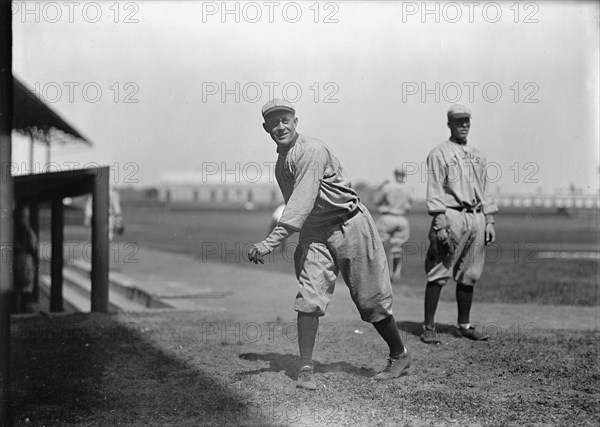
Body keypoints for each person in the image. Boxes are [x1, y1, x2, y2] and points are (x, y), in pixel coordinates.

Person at [248, 99, 411, 390]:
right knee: (309, 296)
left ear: (296, 122)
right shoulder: (281, 163)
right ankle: (306, 368)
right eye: (274, 122)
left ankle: (400, 355)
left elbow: (299, 204)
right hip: (316, 231)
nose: (280, 126)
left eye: (285, 119)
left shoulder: (311, 150)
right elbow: (300, 207)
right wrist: (303, 242)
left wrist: (271, 242)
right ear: (266, 128)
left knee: (370, 300)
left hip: (349, 223)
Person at [421, 104, 498, 344]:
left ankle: (464, 325)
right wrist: (440, 222)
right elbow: (434, 189)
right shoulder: (439, 153)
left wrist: (489, 220)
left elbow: (486, 189)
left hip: (476, 216)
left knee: (470, 272)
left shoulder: (478, 154)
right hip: (451, 215)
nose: (463, 124)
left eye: (467, 121)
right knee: (438, 271)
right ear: (449, 124)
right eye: (458, 121)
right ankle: (429, 327)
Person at [373, 168, 412, 281]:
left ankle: (382, 273)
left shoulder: (388, 187)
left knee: (380, 246)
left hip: (387, 216)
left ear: (395, 174)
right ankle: (395, 274)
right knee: (397, 248)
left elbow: (376, 201)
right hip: (402, 218)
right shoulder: (408, 189)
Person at [13, 205, 38, 313]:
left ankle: (18, 310)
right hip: (24, 258)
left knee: (18, 288)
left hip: (15, 258)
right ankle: (21, 310)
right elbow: (33, 246)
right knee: (24, 287)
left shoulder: (14, 229)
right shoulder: (27, 230)